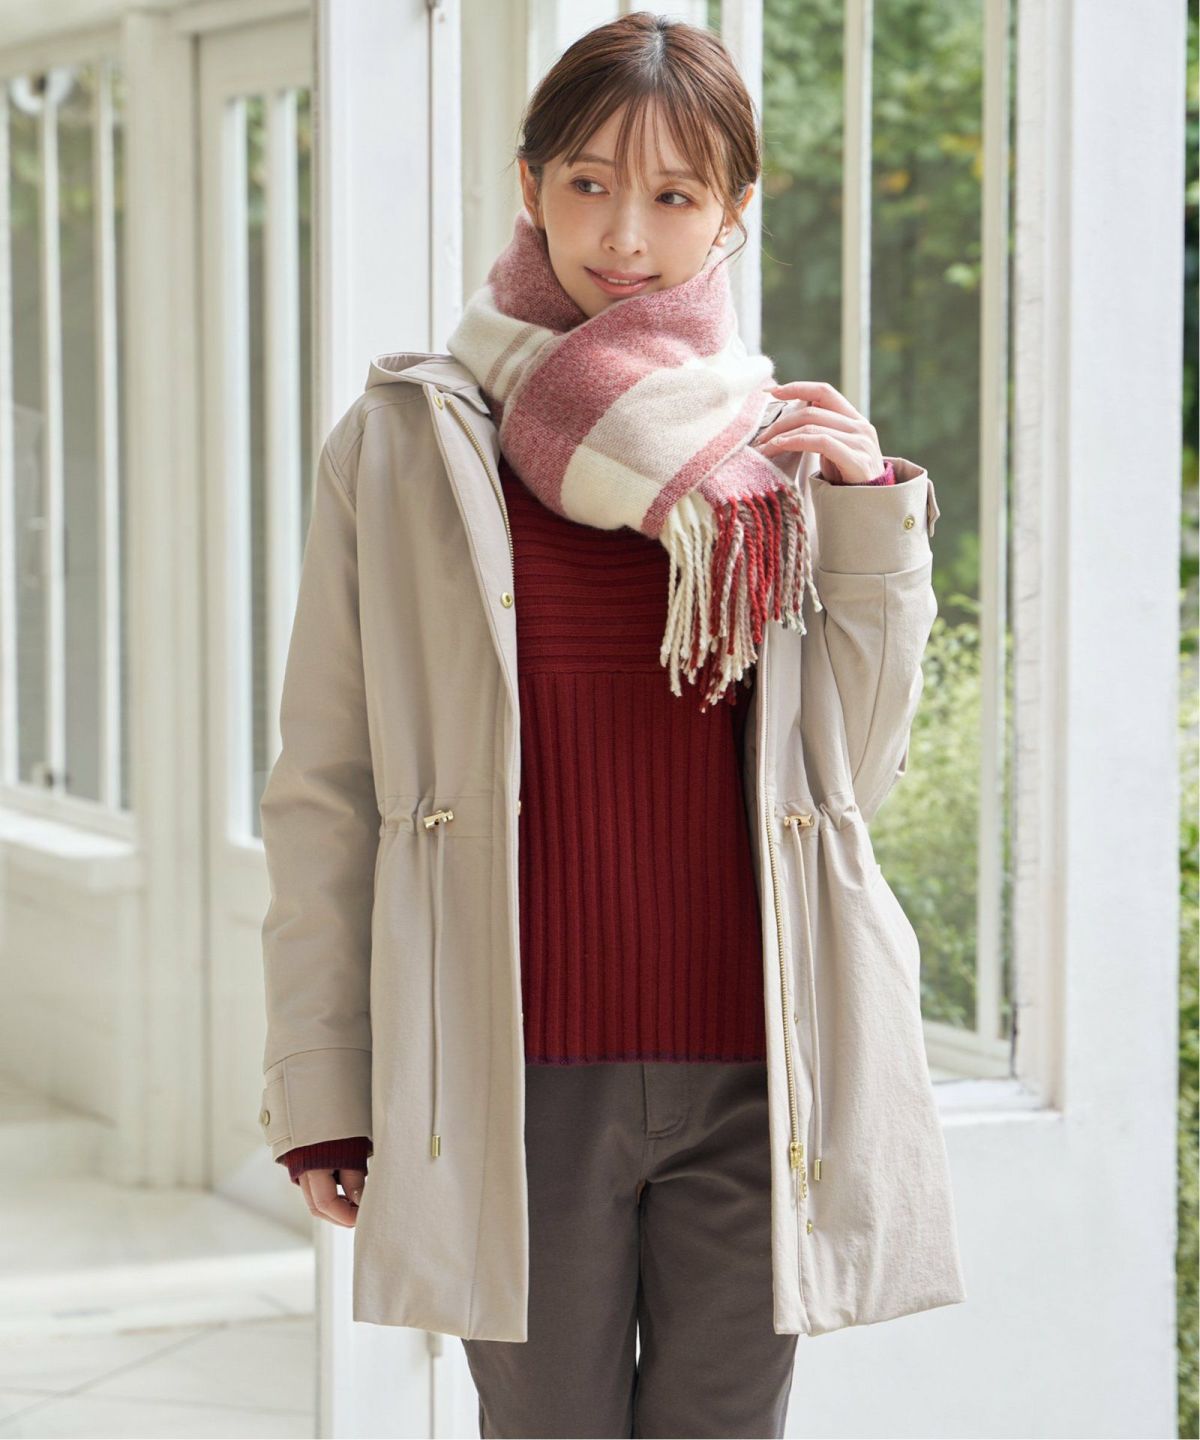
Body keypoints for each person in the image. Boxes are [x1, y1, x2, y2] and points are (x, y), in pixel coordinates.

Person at [261, 12, 960, 1438]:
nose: (624, 236)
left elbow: (856, 774)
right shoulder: (407, 441)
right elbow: (328, 782)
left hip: (760, 1073)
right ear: (529, 184)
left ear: (735, 210)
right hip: (508, 1076)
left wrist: (873, 532)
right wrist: (324, 1082)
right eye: (587, 183)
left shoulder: (774, 455)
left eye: (674, 194)